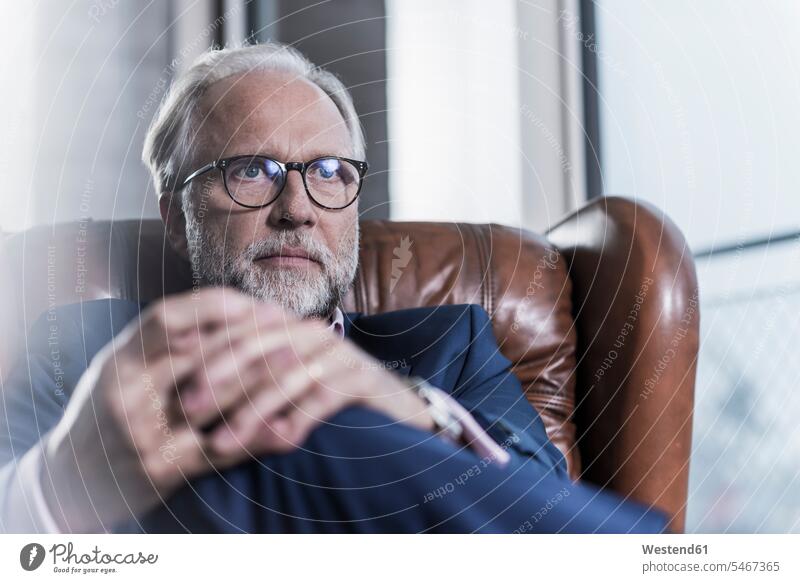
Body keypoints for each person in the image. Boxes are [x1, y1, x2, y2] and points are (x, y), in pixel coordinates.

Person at [0, 42, 667, 534]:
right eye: (252, 170)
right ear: (176, 216)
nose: (298, 207)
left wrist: (402, 406)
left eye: (327, 171)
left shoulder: (452, 345)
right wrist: (67, 479)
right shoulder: (75, 347)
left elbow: (544, 510)